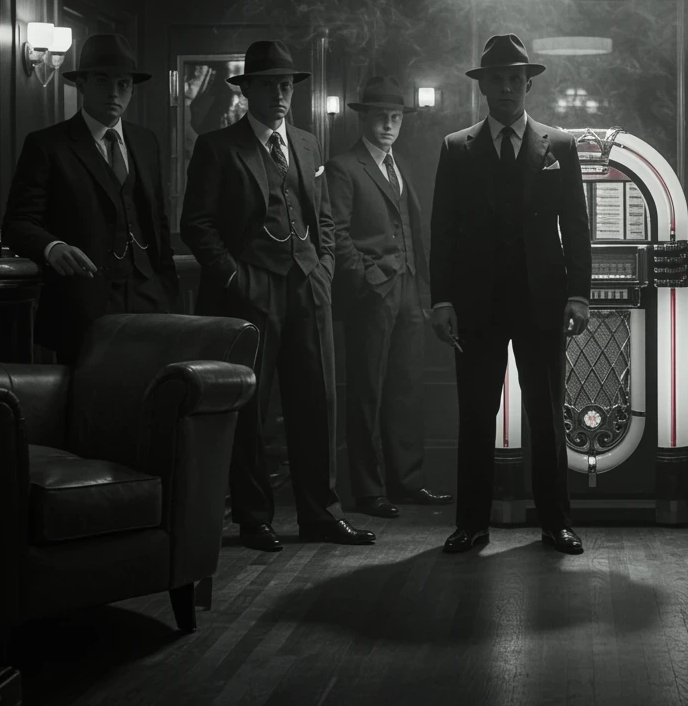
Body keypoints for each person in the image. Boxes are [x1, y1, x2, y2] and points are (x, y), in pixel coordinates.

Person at [181, 39, 373, 552]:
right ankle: (253, 517)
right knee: (250, 409)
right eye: (269, 85)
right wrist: (235, 280)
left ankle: (321, 515)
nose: (280, 94)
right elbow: (197, 226)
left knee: (317, 403)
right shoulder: (218, 146)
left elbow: (324, 219)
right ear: (249, 92)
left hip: (308, 285)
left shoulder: (308, 145)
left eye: (286, 85)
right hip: (251, 290)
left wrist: (325, 268)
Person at [429, 33, 592, 555]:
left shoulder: (559, 146)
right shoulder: (457, 147)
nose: (505, 87)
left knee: (547, 417)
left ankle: (555, 523)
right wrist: (442, 300)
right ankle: (471, 524)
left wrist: (579, 295)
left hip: (541, 300)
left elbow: (577, 228)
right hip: (476, 303)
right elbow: (443, 230)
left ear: (527, 85)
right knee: (476, 414)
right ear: (483, 87)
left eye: (514, 79)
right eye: (496, 79)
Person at [3, 33, 178, 364]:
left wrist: (167, 293)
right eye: (102, 81)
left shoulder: (145, 142)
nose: (114, 92)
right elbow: (17, 222)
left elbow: (158, 222)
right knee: (88, 406)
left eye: (123, 84)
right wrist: (52, 247)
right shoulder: (48, 145)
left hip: (149, 299)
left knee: (148, 401)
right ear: (81, 85)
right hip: (84, 303)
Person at [325, 75, 453, 519]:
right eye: (380, 117)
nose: (388, 124)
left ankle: (407, 481)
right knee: (367, 393)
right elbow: (337, 234)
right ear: (365, 119)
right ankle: (367, 489)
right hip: (372, 294)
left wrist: (421, 289)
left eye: (395, 117)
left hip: (408, 293)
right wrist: (365, 280)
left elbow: (414, 232)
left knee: (405, 390)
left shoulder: (401, 166)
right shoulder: (345, 167)